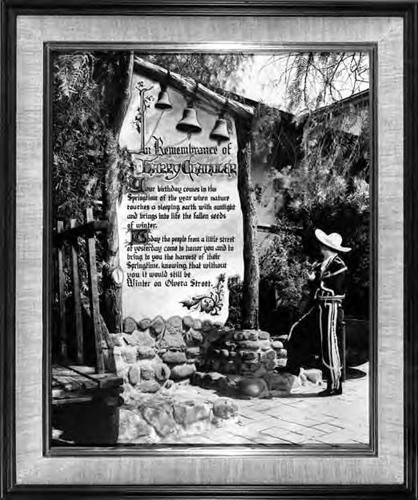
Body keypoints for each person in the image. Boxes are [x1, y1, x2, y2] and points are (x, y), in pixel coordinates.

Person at [284, 229, 351, 396]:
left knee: (330, 346)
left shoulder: (339, 266)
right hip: (319, 307)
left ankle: (335, 386)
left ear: (326, 247)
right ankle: (292, 368)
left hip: (331, 307)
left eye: (322, 244)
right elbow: (317, 287)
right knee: (297, 330)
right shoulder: (323, 263)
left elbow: (336, 289)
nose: (320, 247)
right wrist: (313, 280)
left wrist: (317, 281)